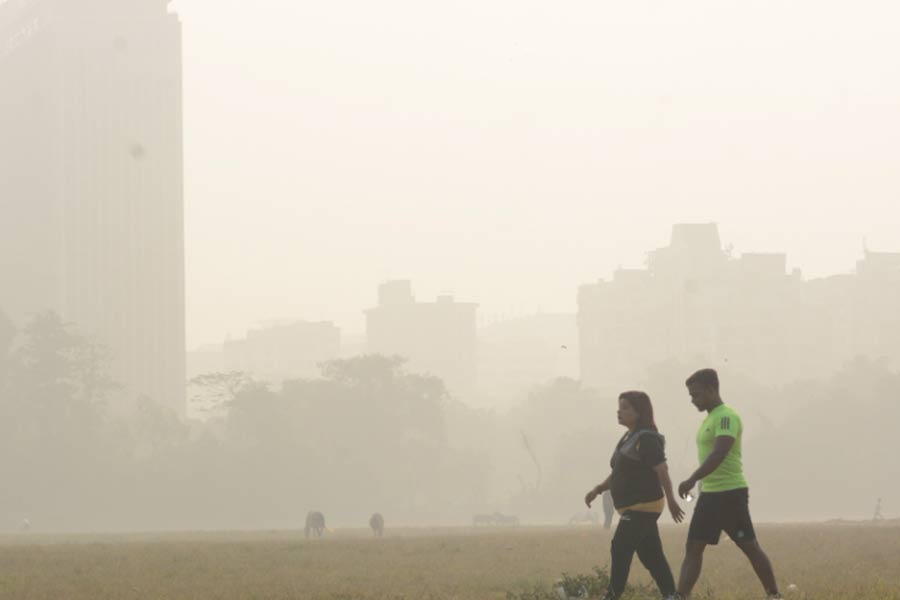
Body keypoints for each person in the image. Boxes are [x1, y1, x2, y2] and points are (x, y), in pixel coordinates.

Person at [676, 369, 781, 599]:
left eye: (697, 395)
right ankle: (680, 595)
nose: (693, 400)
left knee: (749, 546)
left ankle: (773, 594)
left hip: (730, 494)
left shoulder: (726, 417)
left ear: (712, 390)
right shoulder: (709, 419)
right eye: (691, 395)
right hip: (710, 494)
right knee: (693, 547)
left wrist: (692, 479)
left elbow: (719, 453)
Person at [585, 391, 684, 600]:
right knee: (651, 555)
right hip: (634, 508)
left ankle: (613, 595)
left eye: (625, 407)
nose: (619, 411)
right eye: (619, 407)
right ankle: (671, 595)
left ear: (639, 412)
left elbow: (662, 470)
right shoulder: (629, 437)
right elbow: (619, 473)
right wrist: (598, 489)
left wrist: (673, 501)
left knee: (620, 546)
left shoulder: (647, 439)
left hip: (644, 506)